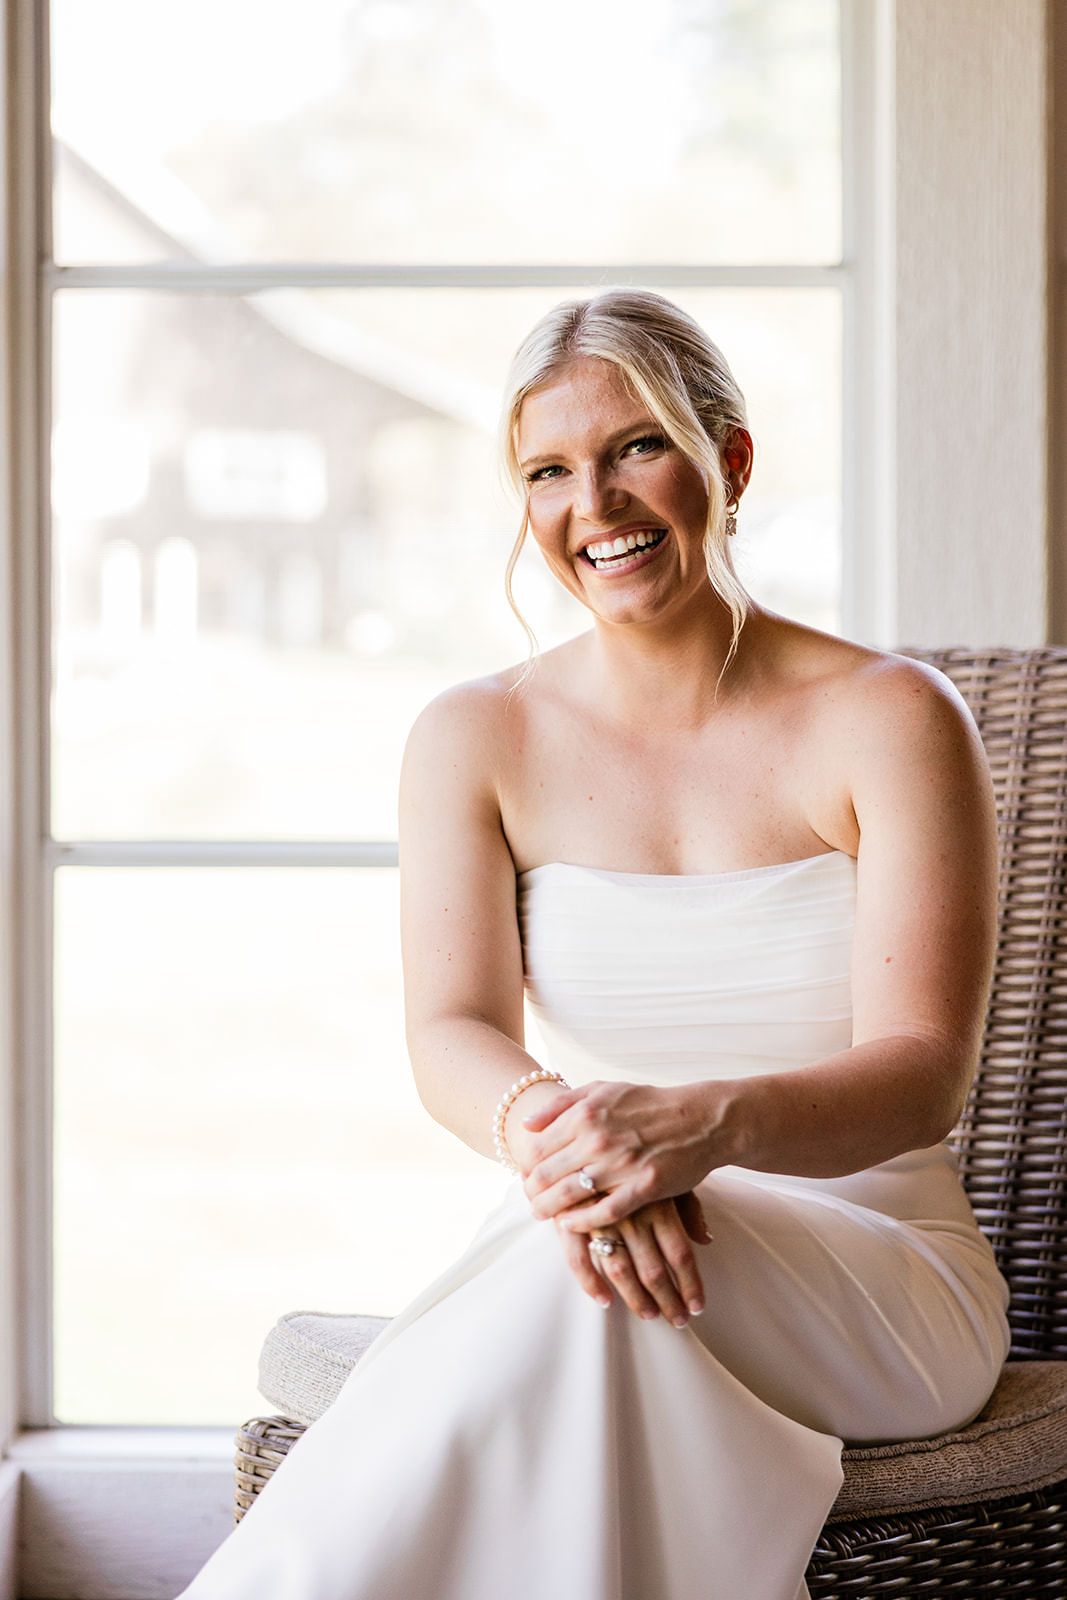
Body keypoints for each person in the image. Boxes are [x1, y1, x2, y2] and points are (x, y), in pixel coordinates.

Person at [177, 289, 1010, 1600]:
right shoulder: (474, 737)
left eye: (638, 448)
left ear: (729, 462)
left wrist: (700, 1132)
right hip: (587, 1223)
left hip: (877, 1277)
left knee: (570, 1282)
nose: (596, 506)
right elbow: (451, 1033)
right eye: (548, 471)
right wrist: (577, 1156)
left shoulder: (894, 720)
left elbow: (922, 1074)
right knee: (589, 1281)